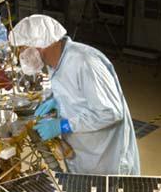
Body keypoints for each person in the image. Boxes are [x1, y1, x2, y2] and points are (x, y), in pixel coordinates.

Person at [10, 14, 140, 175]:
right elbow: (76, 95)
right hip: (82, 157)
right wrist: (56, 101)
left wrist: (63, 125)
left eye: (23, 48)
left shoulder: (85, 62)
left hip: (106, 160)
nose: (22, 54)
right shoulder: (54, 63)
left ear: (41, 44)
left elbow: (110, 113)